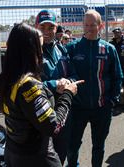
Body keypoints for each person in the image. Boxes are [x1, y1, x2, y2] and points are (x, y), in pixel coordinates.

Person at [0, 23, 83, 167]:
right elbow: (53, 126)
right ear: (29, 51)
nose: (41, 54)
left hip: (14, 152)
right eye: (38, 48)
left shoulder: (4, 78)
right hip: (37, 157)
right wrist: (68, 94)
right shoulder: (28, 85)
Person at [66, 10, 123, 167]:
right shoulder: (72, 48)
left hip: (102, 108)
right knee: (72, 145)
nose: (89, 28)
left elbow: (118, 76)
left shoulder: (109, 49)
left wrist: (112, 100)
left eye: (93, 25)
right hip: (77, 108)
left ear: (101, 26)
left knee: (98, 146)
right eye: (86, 25)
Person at [35, 9, 77, 165]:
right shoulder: (31, 52)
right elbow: (25, 85)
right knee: (45, 157)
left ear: (56, 28)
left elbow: (74, 74)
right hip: (42, 112)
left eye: (50, 27)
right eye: (42, 27)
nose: (47, 31)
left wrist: (68, 82)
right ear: (36, 27)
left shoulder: (61, 49)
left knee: (61, 152)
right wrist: (54, 84)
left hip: (64, 108)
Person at [109, 27, 124, 107]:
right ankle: (115, 101)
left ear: (121, 33)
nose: (116, 34)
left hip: (123, 67)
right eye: (115, 32)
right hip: (113, 67)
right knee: (114, 84)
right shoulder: (111, 43)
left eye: (117, 32)